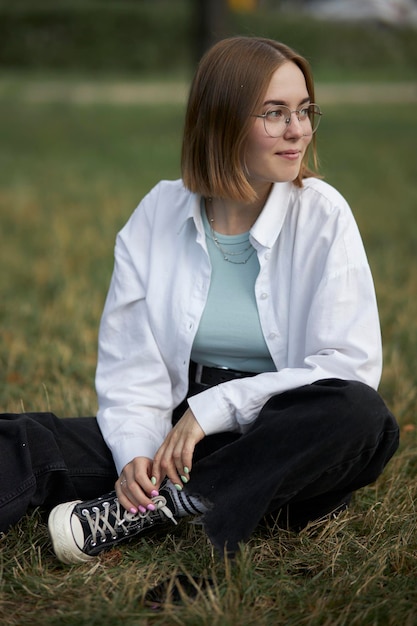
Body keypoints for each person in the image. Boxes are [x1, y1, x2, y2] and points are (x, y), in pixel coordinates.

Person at [2, 37, 399, 565]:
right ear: (223, 119)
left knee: (360, 415)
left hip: (281, 442)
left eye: (304, 111)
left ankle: (171, 505)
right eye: (275, 113)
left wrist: (212, 410)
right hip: (176, 435)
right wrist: (136, 455)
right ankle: (157, 500)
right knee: (23, 441)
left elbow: (346, 367)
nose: (298, 129)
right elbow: (132, 365)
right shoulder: (158, 211)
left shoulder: (323, 215)